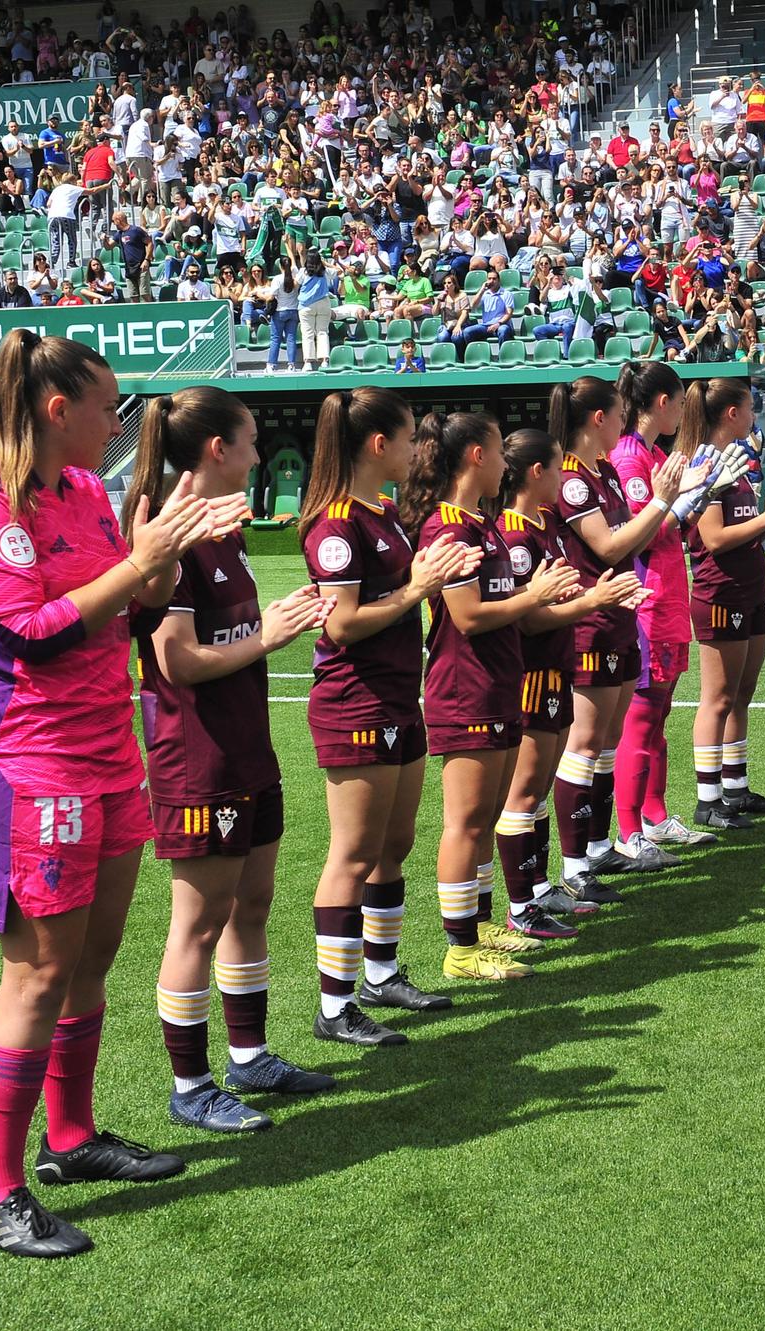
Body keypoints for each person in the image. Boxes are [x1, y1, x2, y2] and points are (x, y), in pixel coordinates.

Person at [0, 331, 240, 1257]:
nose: (120, 422)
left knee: (92, 960)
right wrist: (137, 563)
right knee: (36, 973)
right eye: (108, 403)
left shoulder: (82, 494)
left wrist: (169, 557)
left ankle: (70, 1138)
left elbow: (131, 608)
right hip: (30, 767)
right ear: (55, 409)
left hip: (109, 754)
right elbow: (35, 634)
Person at [125, 387, 337, 1132]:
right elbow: (176, 661)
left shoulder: (224, 529)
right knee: (199, 920)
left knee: (251, 903)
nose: (257, 455)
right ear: (218, 448)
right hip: (197, 757)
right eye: (249, 441)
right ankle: (191, 1085)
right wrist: (270, 636)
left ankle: (249, 1056)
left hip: (245, 744)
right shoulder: (168, 535)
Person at [300, 388, 477, 1047]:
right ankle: (335, 1004)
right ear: (378, 446)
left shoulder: (380, 512)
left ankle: (379, 973)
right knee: (352, 853)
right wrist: (418, 587)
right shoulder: (336, 522)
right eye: (406, 439)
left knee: (391, 846)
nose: (415, 451)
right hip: (357, 702)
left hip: (398, 696)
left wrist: (429, 573)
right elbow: (342, 623)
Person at [402, 411, 582, 980]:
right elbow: (469, 616)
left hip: (498, 685)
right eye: (497, 451)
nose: (506, 462)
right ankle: (459, 949)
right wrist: (536, 597)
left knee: (482, 820)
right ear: (476, 457)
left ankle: (478, 928)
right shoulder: (448, 529)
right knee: (465, 821)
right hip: (466, 688)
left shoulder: (481, 525)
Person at [495, 428, 649, 936]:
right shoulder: (515, 534)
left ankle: (539, 888)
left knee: (537, 786)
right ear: (536, 472)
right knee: (525, 789)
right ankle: (523, 904)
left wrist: (588, 595)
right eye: (557, 469)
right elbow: (529, 618)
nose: (564, 478)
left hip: (557, 662)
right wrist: (588, 603)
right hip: (535, 670)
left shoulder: (541, 524)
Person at [551, 377, 692, 892]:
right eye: (616, 416)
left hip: (618, 618)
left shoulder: (604, 471)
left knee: (606, 743)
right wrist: (662, 502)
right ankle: (573, 868)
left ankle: (596, 846)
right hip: (589, 622)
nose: (623, 424)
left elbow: (631, 541)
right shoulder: (571, 478)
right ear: (598, 420)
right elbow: (609, 547)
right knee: (585, 745)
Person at [686, 379, 765, 831]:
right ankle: (708, 799)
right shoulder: (705, 462)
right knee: (717, 698)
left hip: (750, 587)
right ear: (731, 414)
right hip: (719, 591)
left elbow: (744, 529)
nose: (754, 415)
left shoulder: (736, 462)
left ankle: (736, 788)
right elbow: (714, 539)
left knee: (741, 695)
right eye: (749, 407)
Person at [608, 361, 719, 863]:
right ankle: (628, 832)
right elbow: (641, 532)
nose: (682, 412)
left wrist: (697, 495)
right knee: (642, 714)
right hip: (646, 601)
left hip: (668, 596)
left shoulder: (654, 454)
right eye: (678, 402)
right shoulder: (630, 458)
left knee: (659, 715)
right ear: (661, 403)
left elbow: (669, 525)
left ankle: (654, 817)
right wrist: (681, 498)